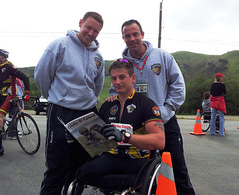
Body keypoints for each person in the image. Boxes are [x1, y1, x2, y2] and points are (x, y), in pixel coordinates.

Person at [109, 19, 195, 195]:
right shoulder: (123, 63)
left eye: (135, 34)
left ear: (142, 35)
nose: (132, 38)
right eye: (127, 36)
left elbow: (178, 87)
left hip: (164, 122)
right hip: (136, 128)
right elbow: (115, 90)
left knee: (176, 168)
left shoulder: (162, 56)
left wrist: (164, 111)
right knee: (141, 174)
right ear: (123, 38)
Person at [34, 11, 105, 195]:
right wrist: (56, 97)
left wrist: (86, 100)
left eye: (96, 31)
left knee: (82, 165)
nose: (91, 33)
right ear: (80, 23)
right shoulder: (59, 45)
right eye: (88, 27)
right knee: (57, 167)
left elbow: (97, 86)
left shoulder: (98, 57)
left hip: (88, 113)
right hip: (61, 112)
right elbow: (41, 76)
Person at [75, 59, 165, 192]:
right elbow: (98, 138)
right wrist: (79, 134)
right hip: (111, 157)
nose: (117, 82)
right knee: (82, 173)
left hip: (136, 159)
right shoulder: (107, 105)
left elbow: (160, 141)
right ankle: (121, 185)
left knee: (140, 179)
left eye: (122, 77)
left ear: (133, 78)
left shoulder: (146, 104)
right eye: (114, 78)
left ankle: (115, 185)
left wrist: (125, 137)